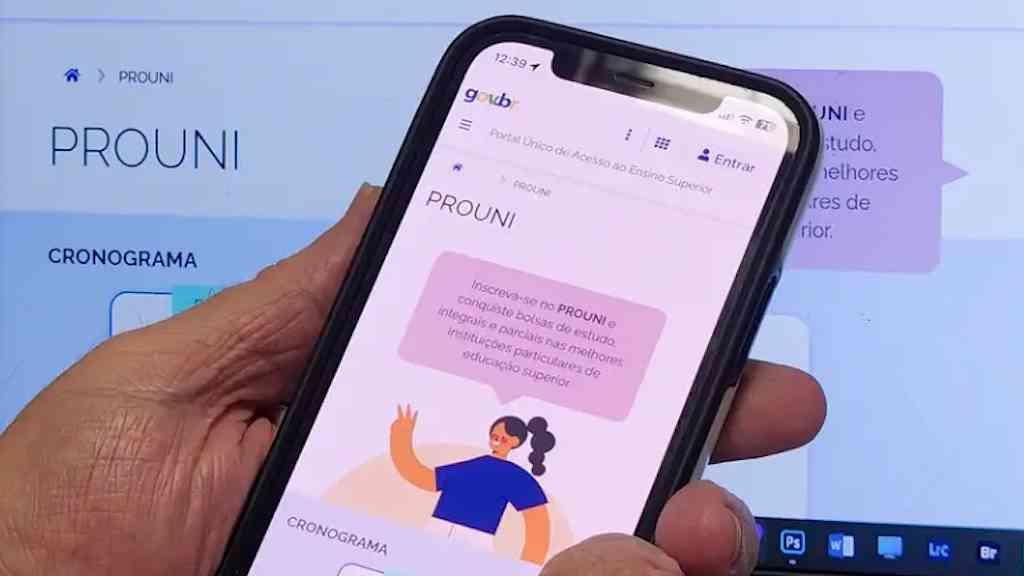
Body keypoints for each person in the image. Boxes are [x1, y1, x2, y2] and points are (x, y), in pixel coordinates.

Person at [0, 184, 826, 576]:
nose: (497, 433)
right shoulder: (472, 464)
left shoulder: (510, 477)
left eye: (502, 431)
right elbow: (420, 479)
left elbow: (534, 527)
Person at [390, 408, 556, 563]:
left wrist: (526, 569)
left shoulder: (516, 478)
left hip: (473, 543)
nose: (495, 443)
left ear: (514, 442)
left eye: (501, 438)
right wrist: (400, 439)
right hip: (439, 532)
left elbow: (538, 527)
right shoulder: (475, 467)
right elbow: (423, 477)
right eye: (494, 437)